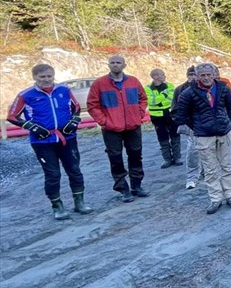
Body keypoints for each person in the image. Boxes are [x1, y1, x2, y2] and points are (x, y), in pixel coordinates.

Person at [6, 63, 93, 219]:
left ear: (53, 76)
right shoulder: (25, 95)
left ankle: (79, 203)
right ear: (34, 77)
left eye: (49, 76)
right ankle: (57, 207)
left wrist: (74, 120)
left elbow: (77, 107)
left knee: (74, 170)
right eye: (42, 77)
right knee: (52, 174)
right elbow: (12, 116)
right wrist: (31, 126)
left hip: (67, 138)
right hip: (42, 141)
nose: (46, 80)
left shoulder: (64, 90)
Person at [173, 62, 231, 214]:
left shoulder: (224, 88)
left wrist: (229, 125)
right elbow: (181, 116)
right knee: (210, 169)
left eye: (209, 74)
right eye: (202, 75)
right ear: (197, 76)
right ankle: (215, 199)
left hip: (223, 131)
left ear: (215, 74)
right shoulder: (187, 93)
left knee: (227, 166)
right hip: (203, 135)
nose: (206, 78)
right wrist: (197, 126)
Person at [87, 55, 149, 203]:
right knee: (115, 159)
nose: (115, 65)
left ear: (124, 65)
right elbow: (92, 105)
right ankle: (123, 189)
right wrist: (104, 121)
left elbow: (143, 99)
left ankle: (137, 186)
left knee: (136, 155)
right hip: (111, 128)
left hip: (133, 126)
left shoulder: (133, 81)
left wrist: (138, 115)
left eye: (118, 62)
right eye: (112, 63)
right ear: (108, 65)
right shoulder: (99, 84)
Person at [145, 68, 182, 169]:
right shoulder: (147, 88)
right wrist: (164, 95)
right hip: (157, 116)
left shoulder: (170, 85)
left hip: (170, 113)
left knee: (175, 135)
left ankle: (177, 157)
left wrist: (159, 100)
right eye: (162, 75)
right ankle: (167, 159)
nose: (164, 77)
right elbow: (151, 101)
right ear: (155, 77)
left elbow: (171, 98)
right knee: (162, 137)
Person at [172, 66, 202, 189]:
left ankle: (207, 173)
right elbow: (175, 110)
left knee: (209, 152)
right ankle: (192, 178)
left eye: (195, 74)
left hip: (207, 125)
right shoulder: (180, 89)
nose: (192, 77)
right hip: (191, 127)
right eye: (190, 74)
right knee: (193, 153)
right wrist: (185, 123)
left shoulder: (206, 88)